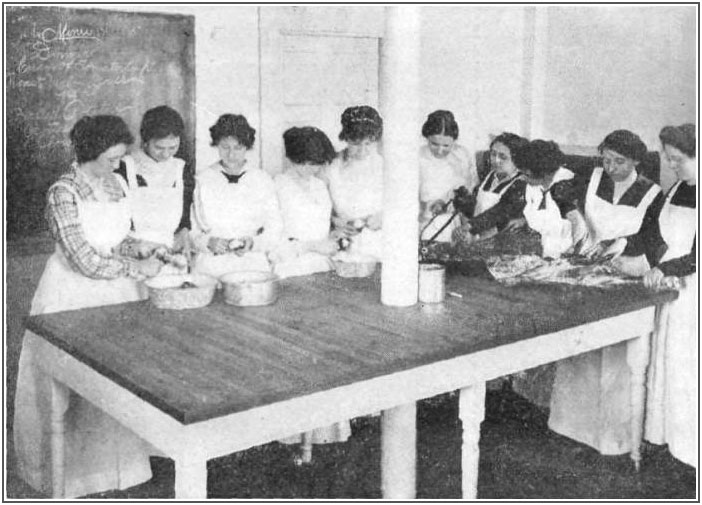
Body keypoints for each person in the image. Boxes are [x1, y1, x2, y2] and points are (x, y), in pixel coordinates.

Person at [14, 115, 163, 497]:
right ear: (89, 153)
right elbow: (84, 259)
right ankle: (74, 479)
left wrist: (141, 245)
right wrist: (136, 266)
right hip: (73, 296)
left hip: (117, 293)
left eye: (119, 159)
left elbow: (116, 236)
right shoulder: (62, 192)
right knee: (77, 388)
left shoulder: (114, 183)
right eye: (111, 159)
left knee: (121, 384)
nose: (117, 166)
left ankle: (121, 473)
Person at [547, 130, 665, 456]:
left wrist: (621, 246)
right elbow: (559, 189)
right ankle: (572, 431)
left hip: (620, 275)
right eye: (607, 159)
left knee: (613, 358)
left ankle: (612, 441)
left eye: (620, 161)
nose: (611, 167)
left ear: (637, 160)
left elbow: (654, 237)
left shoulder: (652, 194)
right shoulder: (594, 176)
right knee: (579, 350)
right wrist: (573, 215)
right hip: (587, 272)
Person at [612, 124, 696, 467]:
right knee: (668, 361)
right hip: (670, 290)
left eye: (677, 159)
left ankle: (692, 446)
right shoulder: (677, 188)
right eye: (668, 159)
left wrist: (667, 269)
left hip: (694, 291)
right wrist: (618, 248)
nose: (672, 165)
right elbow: (652, 233)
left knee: (689, 366)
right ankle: (670, 439)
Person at [191, 114, 282, 278]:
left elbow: (275, 228)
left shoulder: (262, 179)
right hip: (212, 266)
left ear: (247, 147)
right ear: (216, 145)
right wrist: (208, 243)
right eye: (225, 147)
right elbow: (192, 229)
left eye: (238, 148)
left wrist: (253, 243)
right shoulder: (202, 179)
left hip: (252, 263)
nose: (231, 155)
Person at [116, 105, 191, 257]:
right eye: (159, 147)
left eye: (172, 147)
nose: (166, 154)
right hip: (135, 251)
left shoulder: (181, 168)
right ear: (146, 141)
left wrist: (184, 231)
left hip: (170, 251)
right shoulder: (125, 167)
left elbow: (186, 213)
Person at [270, 126, 340, 279]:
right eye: (305, 162)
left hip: (323, 267)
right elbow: (272, 243)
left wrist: (333, 236)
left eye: (316, 163)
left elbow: (320, 229)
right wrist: (312, 246)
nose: (311, 168)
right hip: (291, 268)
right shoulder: (277, 186)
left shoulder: (319, 186)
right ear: (292, 158)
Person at [323, 105, 384, 261]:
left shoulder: (385, 165)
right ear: (346, 138)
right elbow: (319, 207)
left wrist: (384, 217)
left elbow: (402, 205)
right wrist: (336, 222)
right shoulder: (331, 166)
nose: (362, 151)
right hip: (343, 244)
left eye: (368, 144)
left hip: (381, 242)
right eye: (356, 144)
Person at [452, 132, 529, 242]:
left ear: (517, 160)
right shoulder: (489, 176)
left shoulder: (520, 184)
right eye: (493, 154)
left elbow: (499, 213)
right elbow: (474, 206)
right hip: (474, 233)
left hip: (498, 239)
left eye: (503, 157)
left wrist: (470, 228)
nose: (496, 160)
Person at [508, 140, 577, 258]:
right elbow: (538, 214)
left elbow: (563, 226)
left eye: (527, 174)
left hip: (565, 252)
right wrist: (525, 221)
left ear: (544, 172)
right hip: (541, 249)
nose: (523, 178)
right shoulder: (535, 185)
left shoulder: (567, 186)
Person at [418, 110, 479, 242]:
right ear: (426, 138)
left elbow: (470, 191)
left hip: (455, 224)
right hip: (424, 223)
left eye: (446, 145)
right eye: (434, 144)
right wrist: (430, 205)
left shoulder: (462, 156)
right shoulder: (418, 158)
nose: (440, 150)